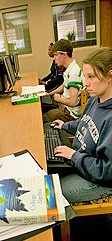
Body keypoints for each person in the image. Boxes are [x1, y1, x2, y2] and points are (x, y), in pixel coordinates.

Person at [52, 47, 112, 203]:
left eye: (91, 77)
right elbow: (85, 123)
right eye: (85, 76)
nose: (85, 83)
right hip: (82, 160)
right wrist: (65, 126)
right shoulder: (95, 98)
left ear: (110, 76)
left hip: (100, 180)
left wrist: (73, 156)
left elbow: (106, 172)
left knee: (51, 194)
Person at [43, 39, 85, 123]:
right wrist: (49, 94)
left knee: (42, 118)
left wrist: (59, 99)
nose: (54, 58)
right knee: (43, 106)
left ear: (64, 54)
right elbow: (63, 86)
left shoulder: (73, 74)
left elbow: (73, 102)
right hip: (64, 105)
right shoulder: (69, 69)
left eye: (56, 55)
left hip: (69, 112)